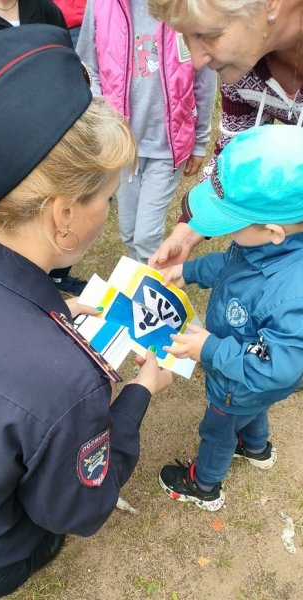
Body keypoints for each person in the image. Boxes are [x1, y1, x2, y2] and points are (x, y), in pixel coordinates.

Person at [0, 24, 172, 598]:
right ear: (63, 213)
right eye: (108, 195)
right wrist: (143, 389)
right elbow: (77, 508)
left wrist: (55, 309)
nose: (108, 209)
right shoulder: (67, 377)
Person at [155, 124, 303, 512]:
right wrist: (188, 271)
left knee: (217, 430)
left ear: (272, 231)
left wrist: (210, 348)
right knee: (253, 410)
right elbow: (231, 263)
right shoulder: (270, 247)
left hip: (240, 380)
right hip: (254, 389)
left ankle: (204, 485)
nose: (225, 233)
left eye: (231, 224)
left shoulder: (292, 295)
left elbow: (278, 370)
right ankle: (256, 447)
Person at [147, 0, 303, 270]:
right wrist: (188, 231)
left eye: (209, 35)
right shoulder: (243, 66)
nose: (196, 61)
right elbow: (236, 148)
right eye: (186, 37)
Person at [76, 0, 216, 264]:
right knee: (129, 234)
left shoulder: (186, 8)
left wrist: (200, 141)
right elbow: (87, 67)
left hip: (167, 146)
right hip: (122, 145)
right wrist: (102, 116)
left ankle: (149, 296)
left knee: (145, 238)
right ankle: (142, 287)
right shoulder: (101, 5)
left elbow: (204, 78)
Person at [0, 0, 90, 295]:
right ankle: (23, 287)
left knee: (63, 206)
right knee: (20, 217)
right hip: (7, 142)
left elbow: (66, 63)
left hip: (56, 131)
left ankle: (57, 275)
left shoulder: (45, 10)